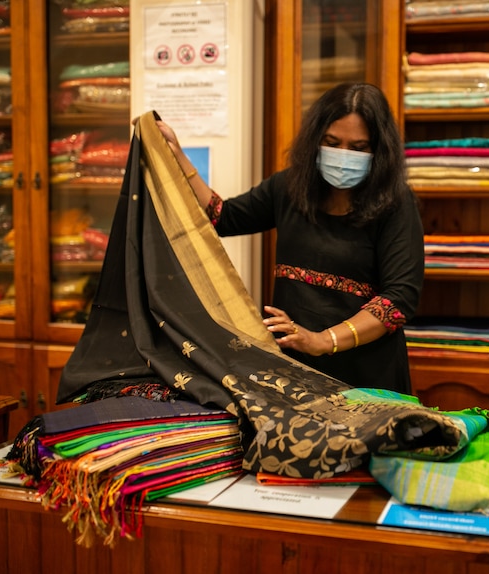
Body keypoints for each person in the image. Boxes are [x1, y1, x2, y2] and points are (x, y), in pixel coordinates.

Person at [153, 82, 424, 394]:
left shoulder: (395, 204)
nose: (342, 155)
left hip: (366, 378)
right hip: (295, 371)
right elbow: (220, 217)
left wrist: (322, 340)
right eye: (332, 142)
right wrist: (178, 156)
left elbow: (397, 301)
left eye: (358, 148)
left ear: (379, 150)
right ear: (315, 140)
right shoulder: (289, 188)